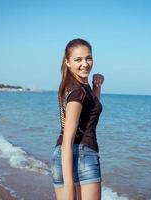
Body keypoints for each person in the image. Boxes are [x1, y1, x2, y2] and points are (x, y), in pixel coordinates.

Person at [50, 38, 104, 200]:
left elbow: (88, 115)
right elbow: (68, 139)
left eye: (88, 58)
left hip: (62, 157)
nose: (85, 64)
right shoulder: (77, 93)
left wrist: (96, 87)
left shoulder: (76, 86)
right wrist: (68, 186)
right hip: (79, 155)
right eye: (78, 60)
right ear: (68, 62)